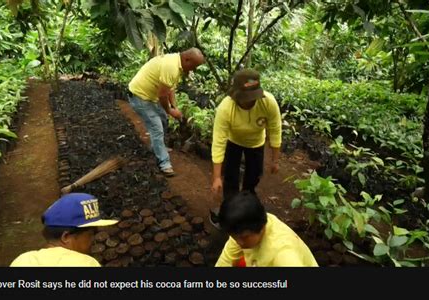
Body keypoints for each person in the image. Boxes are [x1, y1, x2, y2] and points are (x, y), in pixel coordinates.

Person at [210, 68, 282, 226]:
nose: (249, 101)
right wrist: (216, 177)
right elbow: (218, 142)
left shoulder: (268, 102)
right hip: (233, 142)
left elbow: (275, 130)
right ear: (236, 94)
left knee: (253, 177)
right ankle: (231, 210)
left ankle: (247, 206)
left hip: (256, 143)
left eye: (252, 97)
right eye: (245, 98)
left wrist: (275, 160)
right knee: (230, 178)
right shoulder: (226, 108)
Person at [127, 48, 205, 177]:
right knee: (157, 129)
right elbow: (162, 95)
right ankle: (164, 164)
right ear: (187, 59)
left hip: (150, 97)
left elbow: (170, 88)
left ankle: (157, 147)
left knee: (163, 119)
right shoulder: (171, 67)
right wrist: (170, 110)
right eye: (194, 66)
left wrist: (174, 106)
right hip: (139, 97)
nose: (194, 69)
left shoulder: (176, 62)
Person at [10, 193, 118, 267]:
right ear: (65, 237)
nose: (93, 240)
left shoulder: (22, 261)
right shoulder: (86, 263)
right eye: (91, 234)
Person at [215, 191, 318, 267]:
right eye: (233, 236)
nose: (238, 242)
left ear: (262, 227)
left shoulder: (284, 256)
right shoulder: (244, 228)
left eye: (244, 238)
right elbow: (225, 262)